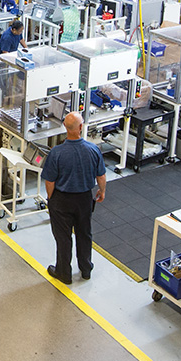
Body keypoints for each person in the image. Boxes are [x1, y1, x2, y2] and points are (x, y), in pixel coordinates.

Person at [42, 112, 107, 284]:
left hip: (62, 200)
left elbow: (50, 181)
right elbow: (101, 176)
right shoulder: (93, 150)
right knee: (84, 233)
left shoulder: (56, 153)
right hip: (84, 199)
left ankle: (64, 273)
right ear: (80, 127)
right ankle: (86, 269)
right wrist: (102, 191)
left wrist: (52, 199)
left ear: (65, 127)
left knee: (63, 238)